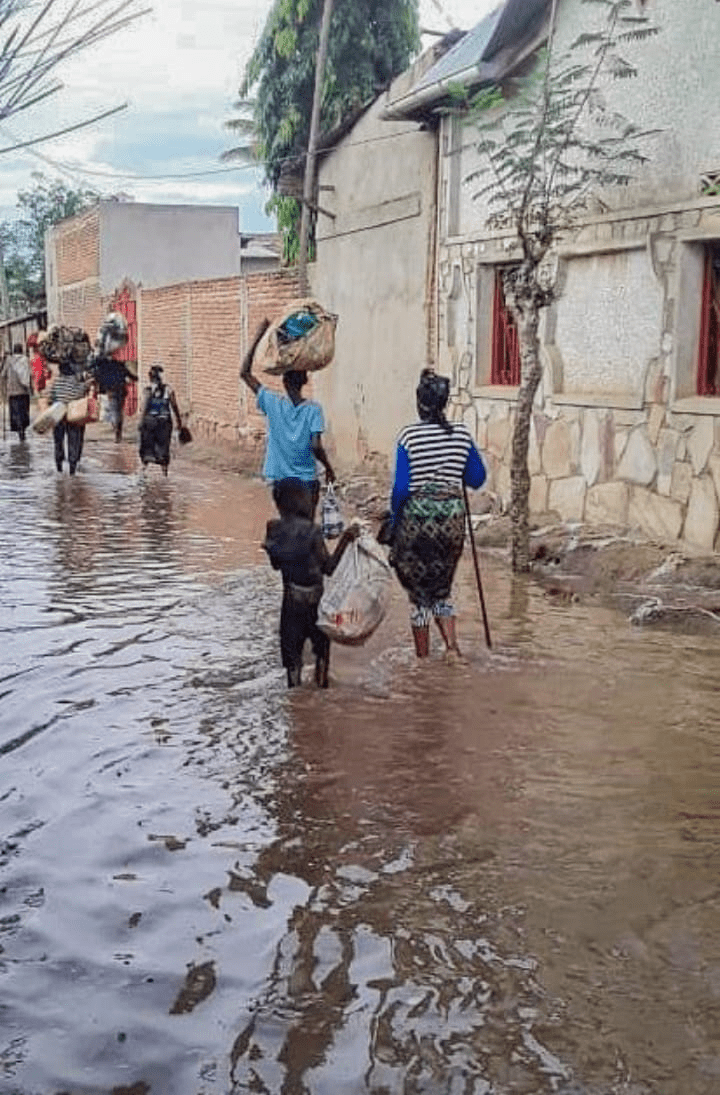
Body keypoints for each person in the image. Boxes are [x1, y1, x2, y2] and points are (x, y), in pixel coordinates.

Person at [387, 368, 486, 662]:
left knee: (419, 594)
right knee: (441, 588)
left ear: (420, 404)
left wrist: (394, 520)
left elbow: (401, 489)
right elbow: (477, 478)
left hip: (416, 522)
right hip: (452, 521)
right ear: (444, 403)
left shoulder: (409, 436)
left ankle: (422, 661)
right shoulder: (461, 433)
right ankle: (452, 650)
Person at [263, 478, 359, 688]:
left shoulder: (273, 529)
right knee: (322, 658)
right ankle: (320, 707)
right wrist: (345, 539)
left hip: (290, 602)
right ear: (302, 501)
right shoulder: (312, 531)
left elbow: (275, 565)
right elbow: (329, 568)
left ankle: (297, 709)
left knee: (292, 664)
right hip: (316, 603)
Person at [240, 318, 336, 518]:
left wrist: (258, 336)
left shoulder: (273, 403)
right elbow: (316, 446)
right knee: (307, 529)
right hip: (307, 482)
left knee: (288, 527)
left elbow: (245, 373)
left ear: (284, 380)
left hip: (282, 481)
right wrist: (328, 467)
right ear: (305, 381)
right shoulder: (313, 410)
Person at [138, 365, 183, 475]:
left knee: (147, 445)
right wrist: (178, 420)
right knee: (164, 446)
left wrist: (140, 421)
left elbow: (144, 407)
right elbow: (174, 406)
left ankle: (143, 470)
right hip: (164, 422)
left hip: (150, 421)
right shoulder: (168, 389)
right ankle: (164, 472)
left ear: (150, 377)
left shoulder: (147, 390)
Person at [48, 359, 91, 475]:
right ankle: (72, 469)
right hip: (72, 415)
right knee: (73, 441)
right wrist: (86, 385)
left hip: (58, 415)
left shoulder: (56, 382)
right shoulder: (74, 381)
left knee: (58, 442)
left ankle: (59, 468)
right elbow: (80, 393)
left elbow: (49, 398)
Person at [1, 342, 33, 441]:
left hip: (12, 392)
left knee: (15, 413)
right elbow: (30, 374)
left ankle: (19, 431)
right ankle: (23, 429)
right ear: (21, 350)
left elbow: (3, 375)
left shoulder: (9, 361)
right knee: (24, 412)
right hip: (24, 391)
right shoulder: (26, 360)